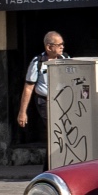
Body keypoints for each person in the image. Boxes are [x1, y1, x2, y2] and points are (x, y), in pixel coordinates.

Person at [17, 30, 66, 162]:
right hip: (45, 102)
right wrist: (22, 112)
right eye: (59, 44)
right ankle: (50, 165)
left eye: (63, 44)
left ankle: (58, 162)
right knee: (53, 133)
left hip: (63, 102)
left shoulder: (66, 59)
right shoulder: (37, 62)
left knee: (63, 133)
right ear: (49, 47)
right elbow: (28, 87)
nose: (62, 47)